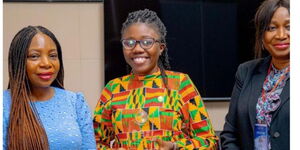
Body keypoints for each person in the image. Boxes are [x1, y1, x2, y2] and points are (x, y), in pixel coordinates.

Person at [93, 9, 218, 150]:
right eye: (129, 43)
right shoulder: (112, 89)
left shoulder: (181, 84)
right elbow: (93, 142)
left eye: (147, 42)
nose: (137, 49)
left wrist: (176, 147)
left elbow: (209, 142)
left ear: (161, 48)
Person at [3, 26, 96, 150]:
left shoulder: (75, 102)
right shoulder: (4, 104)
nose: (46, 63)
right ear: (18, 61)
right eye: (34, 56)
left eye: (53, 55)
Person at [220, 0, 290, 150]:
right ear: (262, 36)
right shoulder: (246, 72)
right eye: (271, 28)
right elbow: (230, 134)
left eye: (289, 27)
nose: (281, 35)